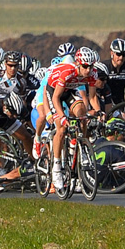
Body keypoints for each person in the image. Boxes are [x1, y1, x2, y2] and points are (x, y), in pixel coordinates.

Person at [47, 47, 101, 190]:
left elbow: (92, 97)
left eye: (91, 66)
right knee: (62, 127)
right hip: (54, 92)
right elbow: (56, 97)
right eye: (85, 66)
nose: (88, 70)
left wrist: (98, 111)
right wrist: (63, 117)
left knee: (82, 113)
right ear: (78, 63)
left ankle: (80, 145)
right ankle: (57, 168)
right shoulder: (68, 72)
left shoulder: (93, 73)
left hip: (69, 91)